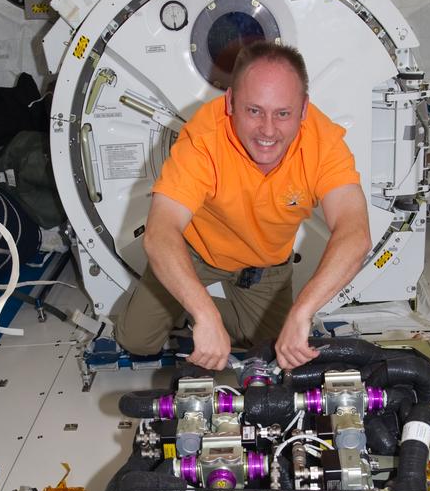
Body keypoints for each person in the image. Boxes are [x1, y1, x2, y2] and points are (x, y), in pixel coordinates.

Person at [115, 41, 372, 371]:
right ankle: (191, 306)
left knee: (277, 352)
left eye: (283, 113)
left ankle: (194, 309)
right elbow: (160, 232)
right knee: (136, 339)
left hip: (263, 268)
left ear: (304, 109)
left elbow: (355, 233)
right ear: (231, 103)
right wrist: (204, 314)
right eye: (254, 111)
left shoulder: (324, 144)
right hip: (195, 253)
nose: (268, 130)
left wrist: (303, 312)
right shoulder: (203, 137)